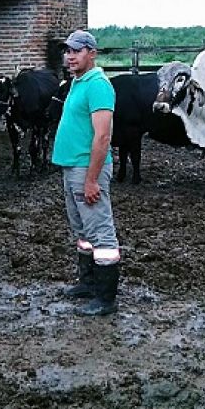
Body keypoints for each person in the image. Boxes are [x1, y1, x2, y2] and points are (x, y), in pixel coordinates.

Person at [52, 30, 121, 316]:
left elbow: (103, 136)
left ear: (92, 53)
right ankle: (88, 283)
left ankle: (106, 298)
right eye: (67, 51)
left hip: (86, 169)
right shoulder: (77, 82)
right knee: (83, 230)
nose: (69, 56)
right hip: (73, 167)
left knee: (100, 231)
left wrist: (92, 179)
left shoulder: (98, 86)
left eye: (76, 51)